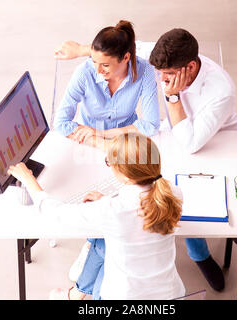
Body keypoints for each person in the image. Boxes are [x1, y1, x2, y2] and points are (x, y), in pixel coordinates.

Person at [54, 28, 237, 292]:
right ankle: (95, 244)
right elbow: (128, 48)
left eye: (169, 76)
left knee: (186, 195)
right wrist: (83, 50)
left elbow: (190, 142)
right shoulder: (160, 60)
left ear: (190, 67)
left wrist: (172, 97)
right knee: (146, 187)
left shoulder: (220, 91)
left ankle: (200, 255)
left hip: (212, 144)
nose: (161, 81)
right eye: (159, 75)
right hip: (174, 133)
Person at [8, 133, 186, 300]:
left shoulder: (113, 211)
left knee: (99, 240)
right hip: (171, 296)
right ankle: (78, 291)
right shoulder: (173, 193)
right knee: (103, 240)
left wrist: (28, 179)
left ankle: (77, 291)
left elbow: (56, 213)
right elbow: (133, 216)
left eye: (109, 162)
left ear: (124, 174)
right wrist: (106, 201)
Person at [53, 20, 161, 283]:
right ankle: (93, 245)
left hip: (123, 149)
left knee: (125, 200)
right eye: (95, 62)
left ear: (126, 57)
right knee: (87, 198)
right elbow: (61, 123)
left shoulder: (144, 72)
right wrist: (98, 142)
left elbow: (150, 125)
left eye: (105, 65)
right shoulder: (85, 72)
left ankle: (100, 246)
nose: (99, 70)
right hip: (87, 147)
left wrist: (104, 134)